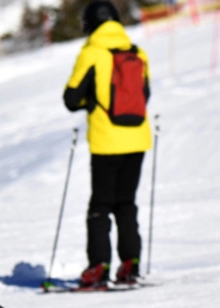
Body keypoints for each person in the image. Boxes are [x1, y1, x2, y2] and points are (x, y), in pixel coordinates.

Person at [63, 0, 151, 288]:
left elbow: (71, 99)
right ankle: (130, 264)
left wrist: (93, 102)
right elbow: (144, 94)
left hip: (106, 141)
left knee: (100, 206)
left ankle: (98, 267)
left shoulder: (92, 53)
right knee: (126, 203)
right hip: (137, 138)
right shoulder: (137, 53)